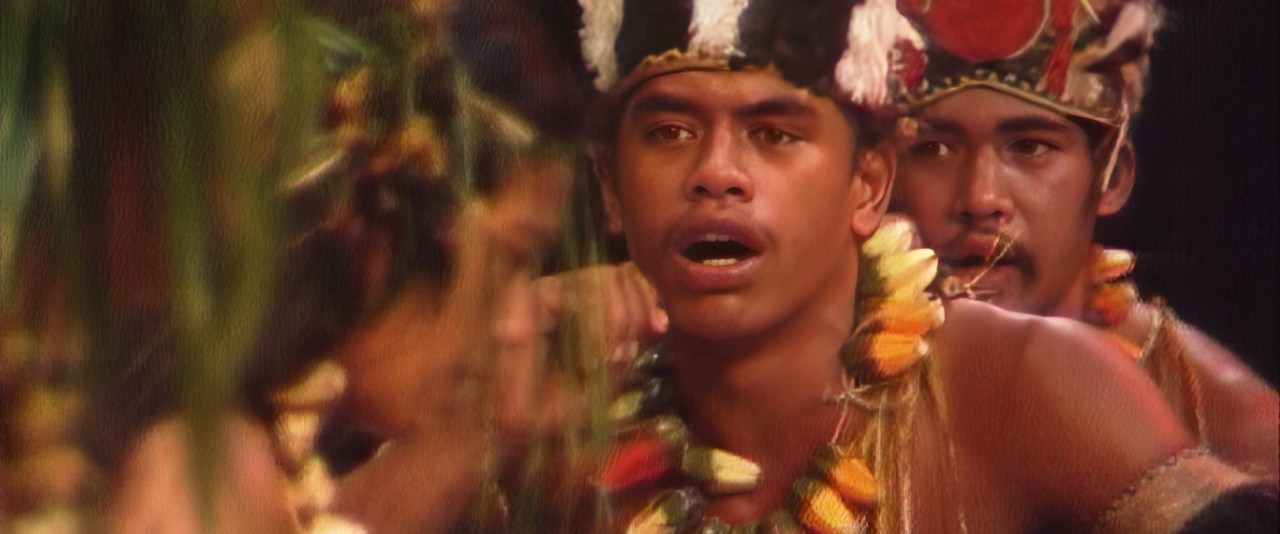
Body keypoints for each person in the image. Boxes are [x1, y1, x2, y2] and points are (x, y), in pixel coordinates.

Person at [572, 0, 1276, 531]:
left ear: (869, 186)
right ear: (610, 187)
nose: (716, 172)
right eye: (669, 132)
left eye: (773, 134)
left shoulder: (1028, 380)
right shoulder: (559, 421)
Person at [889, 0, 1279, 482]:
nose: (979, 197)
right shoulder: (824, 391)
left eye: (1030, 146)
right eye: (933, 148)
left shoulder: (1239, 434)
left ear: (1110, 176)